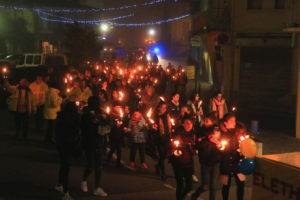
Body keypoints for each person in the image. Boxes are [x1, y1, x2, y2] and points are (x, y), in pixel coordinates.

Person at [81, 96, 108, 197]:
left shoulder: (101, 112)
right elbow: (88, 125)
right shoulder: (86, 113)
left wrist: (102, 119)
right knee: (91, 165)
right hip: (89, 142)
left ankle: (97, 187)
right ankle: (84, 180)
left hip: (99, 141)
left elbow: (106, 121)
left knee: (99, 166)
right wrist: (97, 120)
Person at [55, 101, 81, 200]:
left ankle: (60, 184)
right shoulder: (74, 118)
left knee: (64, 165)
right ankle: (65, 192)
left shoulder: (61, 117)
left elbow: (57, 130)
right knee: (66, 166)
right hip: (68, 143)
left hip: (61, 144)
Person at [191, 125, 222, 200]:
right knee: (205, 186)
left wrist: (220, 147)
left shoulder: (220, 142)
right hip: (206, 164)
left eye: (218, 133)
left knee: (214, 186)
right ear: (211, 134)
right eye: (215, 133)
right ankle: (195, 194)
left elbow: (223, 152)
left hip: (216, 164)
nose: (216, 135)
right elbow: (198, 146)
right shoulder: (205, 140)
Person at [219, 113, 245, 200]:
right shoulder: (221, 134)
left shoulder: (236, 133)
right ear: (225, 123)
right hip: (226, 164)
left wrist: (241, 152)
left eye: (234, 120)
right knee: (226, 185)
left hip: (236, 163)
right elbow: (220, 149)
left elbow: (239, 146)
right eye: (231, 121)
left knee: (241, 183)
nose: (234, 123)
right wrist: (221, 148)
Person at [169, 116, 196, 200]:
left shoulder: (192, 134)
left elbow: (194, 150)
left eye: (191, 123)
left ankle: (181, 197)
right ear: (182, 124)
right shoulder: (178, 133)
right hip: (178, 163)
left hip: (188, 163)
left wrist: (192, 146)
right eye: (187, 123)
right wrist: (175, 147)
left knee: (189, 186)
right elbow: (172, 146)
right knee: (180, 184)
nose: (189, 125)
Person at [153, 101, 172, 181]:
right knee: (161, 155)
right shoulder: (156, 117)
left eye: (165, 108)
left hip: (167, 138)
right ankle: (163, 173)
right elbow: (153, 127)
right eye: (162, 107)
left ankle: (158, 166)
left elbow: (169, 125)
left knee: (165, 155)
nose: (164, 109)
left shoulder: (167, 116)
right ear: (159, 108)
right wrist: (153, 127)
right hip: (160, 138)